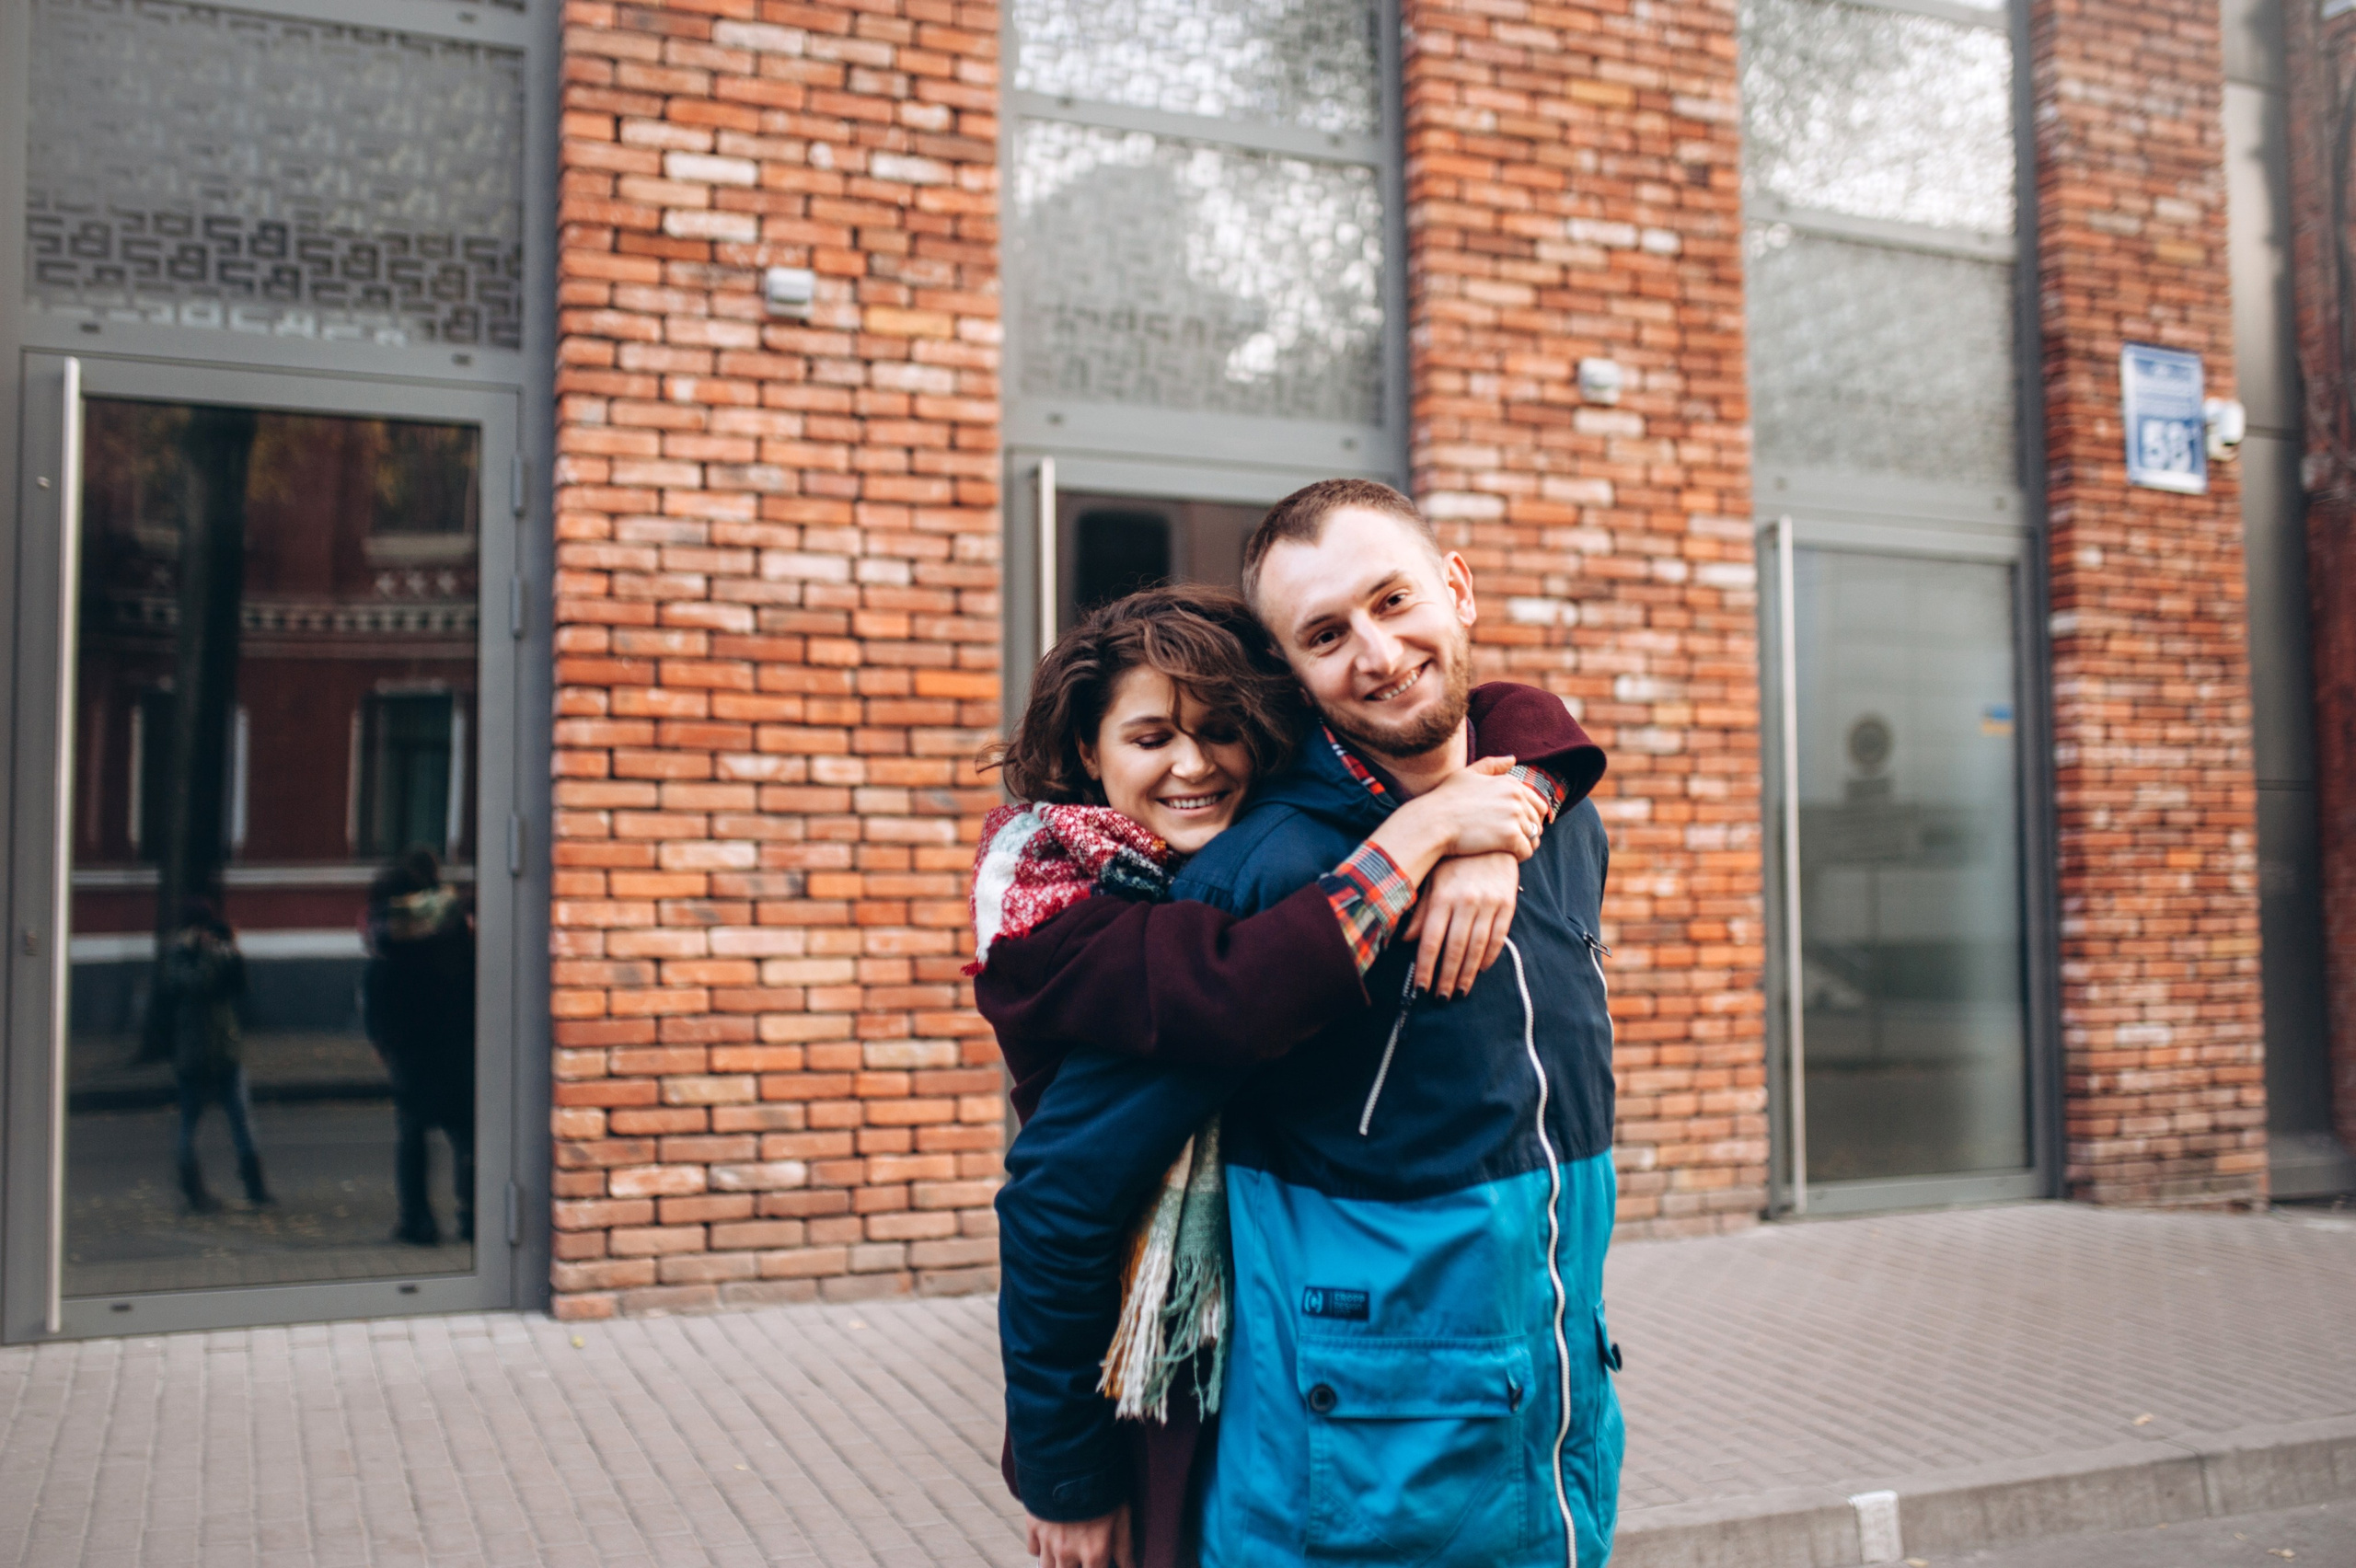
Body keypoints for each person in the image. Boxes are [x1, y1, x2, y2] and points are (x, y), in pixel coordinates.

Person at [995, 478, 1620, 1567]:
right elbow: (1060, 1189)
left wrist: (1500, 811)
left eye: (1393, 601)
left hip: (1551, 1461)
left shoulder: (1552, 810)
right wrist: (1066, 1471)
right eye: (1326, 634)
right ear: (1289, 669)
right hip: (1346, 1504)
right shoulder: (1265, 874)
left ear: (1457, 589)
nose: (1376, 655)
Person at [363, 848, 478, 1247]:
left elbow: (378, 977)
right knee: (466, 1131)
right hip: (455, 1037)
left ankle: (418, 1220)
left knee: (412, 1134)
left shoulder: (390, 922)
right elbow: (471, 975)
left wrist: (380, 1036)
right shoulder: (453, 918)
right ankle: (473, 1217)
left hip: (409, 1042)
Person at [161, 896, 271, 1212]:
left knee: (242, 1120)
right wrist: (207, 954)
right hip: (194, 1054)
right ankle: (193, 1190)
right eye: (199, 928)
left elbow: (240, 986)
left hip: (225, 1050)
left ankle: (255, 1185)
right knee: (189, 1123)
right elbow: (195, 984)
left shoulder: (215, 951)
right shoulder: (179, 956)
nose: (205, 934)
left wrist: (233, 952)